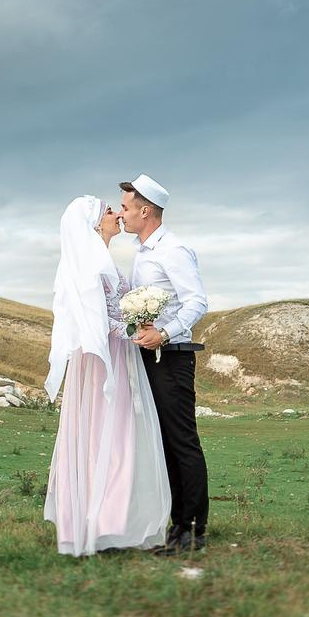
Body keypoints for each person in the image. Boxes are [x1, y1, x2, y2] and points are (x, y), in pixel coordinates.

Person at [41, 196, 172, 556]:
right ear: (96, 224)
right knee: (106, 431)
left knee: (117, 433)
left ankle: (109, 520)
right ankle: (97, 521)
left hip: (117, 353)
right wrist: (129, 330)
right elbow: (94, 318)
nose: (116, 214)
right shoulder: (90, 264)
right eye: (109, 212)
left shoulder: (103, 259)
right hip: (103, 359)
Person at [116, 174, 211, 552]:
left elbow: (197, 302)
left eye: (125, 207)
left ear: (145, 210)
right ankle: (176, 526)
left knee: (181, 441)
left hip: (172, 358)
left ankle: (193, 529)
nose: (121, 214)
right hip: (148, 358)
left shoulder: (173, 249)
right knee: (163, 442)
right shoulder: (142, 252)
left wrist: (166, 333)